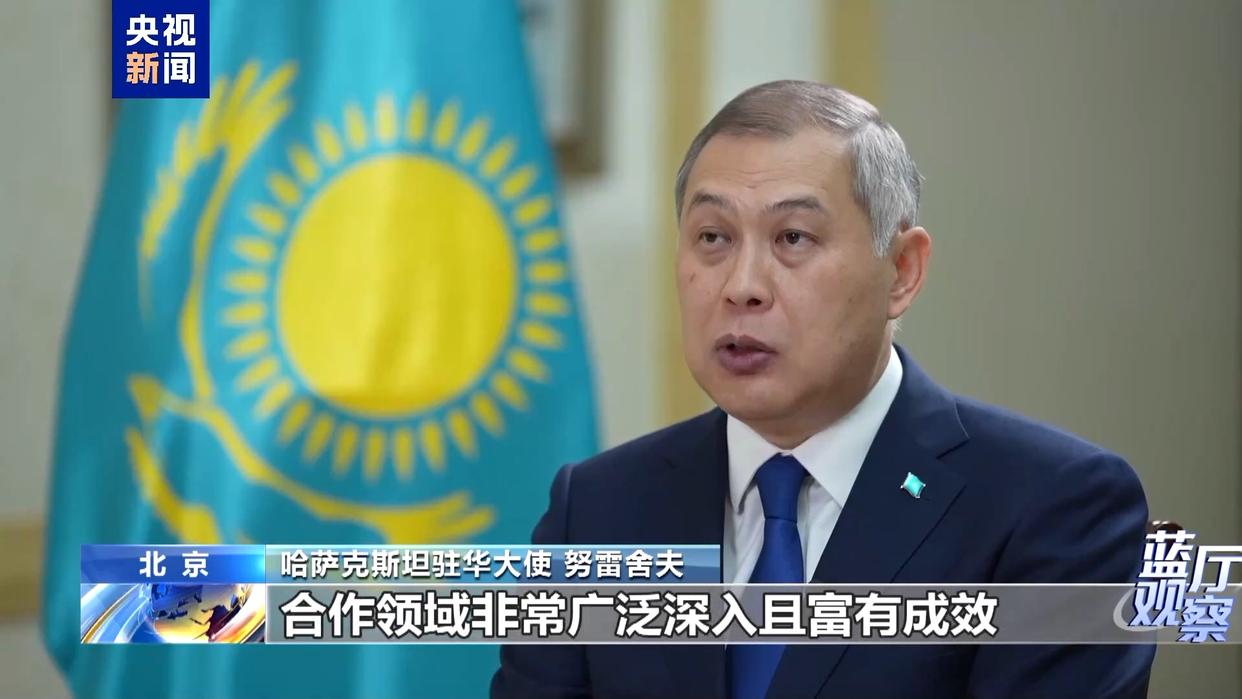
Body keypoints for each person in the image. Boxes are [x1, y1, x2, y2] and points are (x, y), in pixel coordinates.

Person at [490, 80, 1155, 699]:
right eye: (713, 237)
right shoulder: (598, 511)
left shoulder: (1055, 506)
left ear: (902, 271)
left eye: (793, 237)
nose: (742, 286)